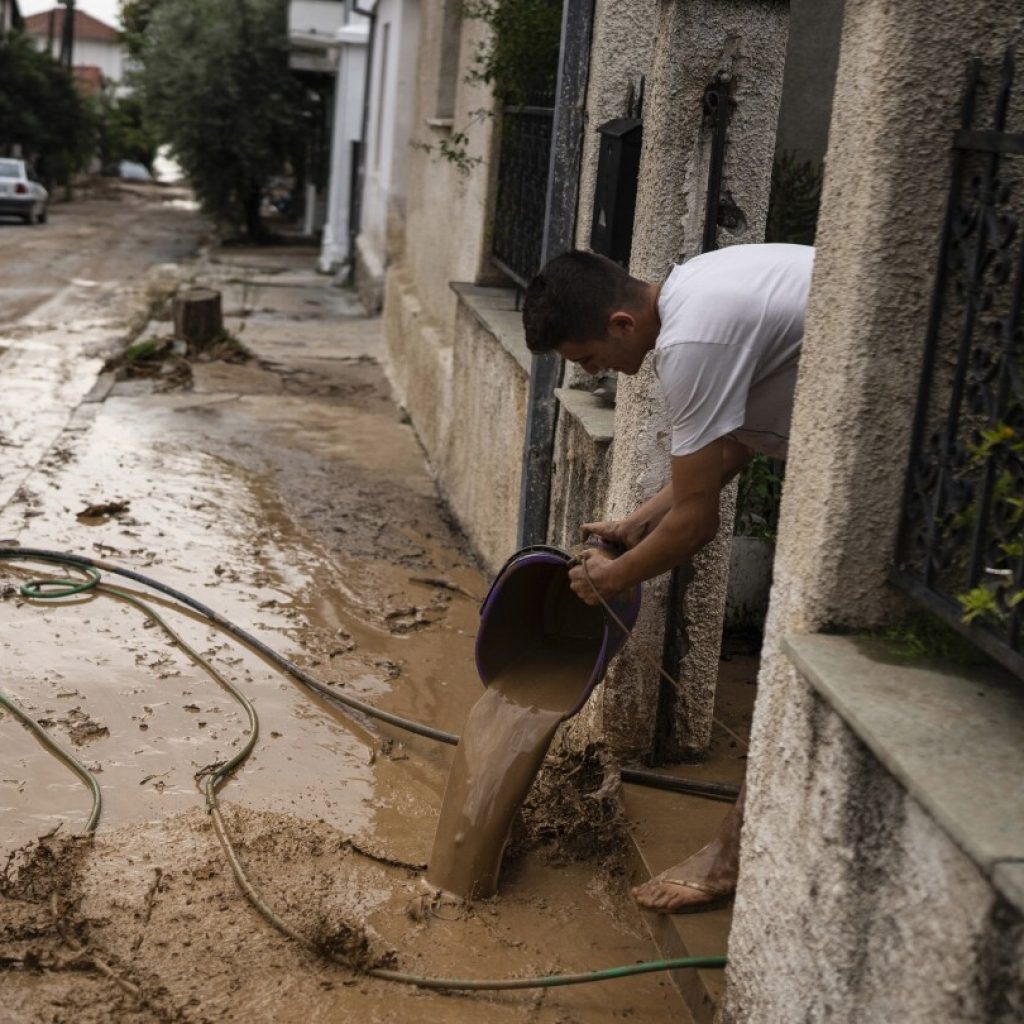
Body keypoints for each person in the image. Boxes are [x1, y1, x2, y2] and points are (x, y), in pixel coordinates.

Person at [521, 243, 814, 913]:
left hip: (907, 436)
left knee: (793, 662)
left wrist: (612, 579)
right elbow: (733, 442)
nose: (600, 373)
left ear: (621, 324)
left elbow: (697, 524)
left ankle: (727, 860)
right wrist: (634, 524)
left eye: (588, 358)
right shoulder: (700, 287)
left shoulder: (691, 341)